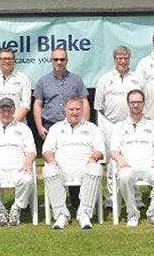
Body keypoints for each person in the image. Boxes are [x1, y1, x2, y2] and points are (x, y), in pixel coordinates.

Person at [33, 47, 89, 209]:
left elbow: (84, 102)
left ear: (67, 60)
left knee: (73, 160)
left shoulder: (76, 80)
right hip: (51, 128)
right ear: (51, 61)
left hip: (73, 127)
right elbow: (37, 105)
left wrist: (84, 124)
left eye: (62, 59)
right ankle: (56, 202)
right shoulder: (43, 81)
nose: (59, 62)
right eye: (56, 59)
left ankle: (76, 200)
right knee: (54, 163)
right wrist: (39, 126)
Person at [42, 97, 105, 230]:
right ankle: (61, 214)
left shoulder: (92, 128)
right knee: (48, 169)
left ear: (82, 110)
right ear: (65, 110)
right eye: (71, 109)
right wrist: (52, 160)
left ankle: (84, 213)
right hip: (62, 168)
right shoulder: (56, 128)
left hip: (84, 167)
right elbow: (46, 150)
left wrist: (93, 158)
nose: (74, 112)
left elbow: (100, 150)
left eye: (78, 109)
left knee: (96, 168)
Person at [110, 89, 154, 227]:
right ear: (128, 104)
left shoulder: (153, 125)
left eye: (139, 102)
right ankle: (132, 214)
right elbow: (113, 150)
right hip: (127, 165)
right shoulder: (119, 126)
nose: (136, 105)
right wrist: (119, 159)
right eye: (133, 102)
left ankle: (153, 213)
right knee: (124, 177)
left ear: (143, 103)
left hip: (149, 165)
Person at [94, 45, 143, 207]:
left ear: (129, 59)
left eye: (125, 58)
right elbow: (99, 107)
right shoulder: (105, 79)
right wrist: (103, 130)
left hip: (132, 124)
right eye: (119, 58)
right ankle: (112, 198)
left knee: (134, 158)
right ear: (114, 60)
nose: (122, 61)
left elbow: (144, 102)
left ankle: (136, 198)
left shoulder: (137, 78)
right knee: (112, 162)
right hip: (110, 125)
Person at [0, 98, 37, 227]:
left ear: (14, 111)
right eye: (3, 110)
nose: (6, 113)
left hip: (19, 167)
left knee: (27, 180)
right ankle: (0, 210)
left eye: (9, 110)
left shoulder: (24, 128)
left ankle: (16, 208)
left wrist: (28, 162)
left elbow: (32, 151)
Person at [0, 48, 31, 125]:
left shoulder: (23, 79)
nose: (7, 61)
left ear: (14, 60)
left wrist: (12, 123)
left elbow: (25, 105)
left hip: (18, 126)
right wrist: (1, 122)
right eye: (4, 58)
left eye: (10, 58)